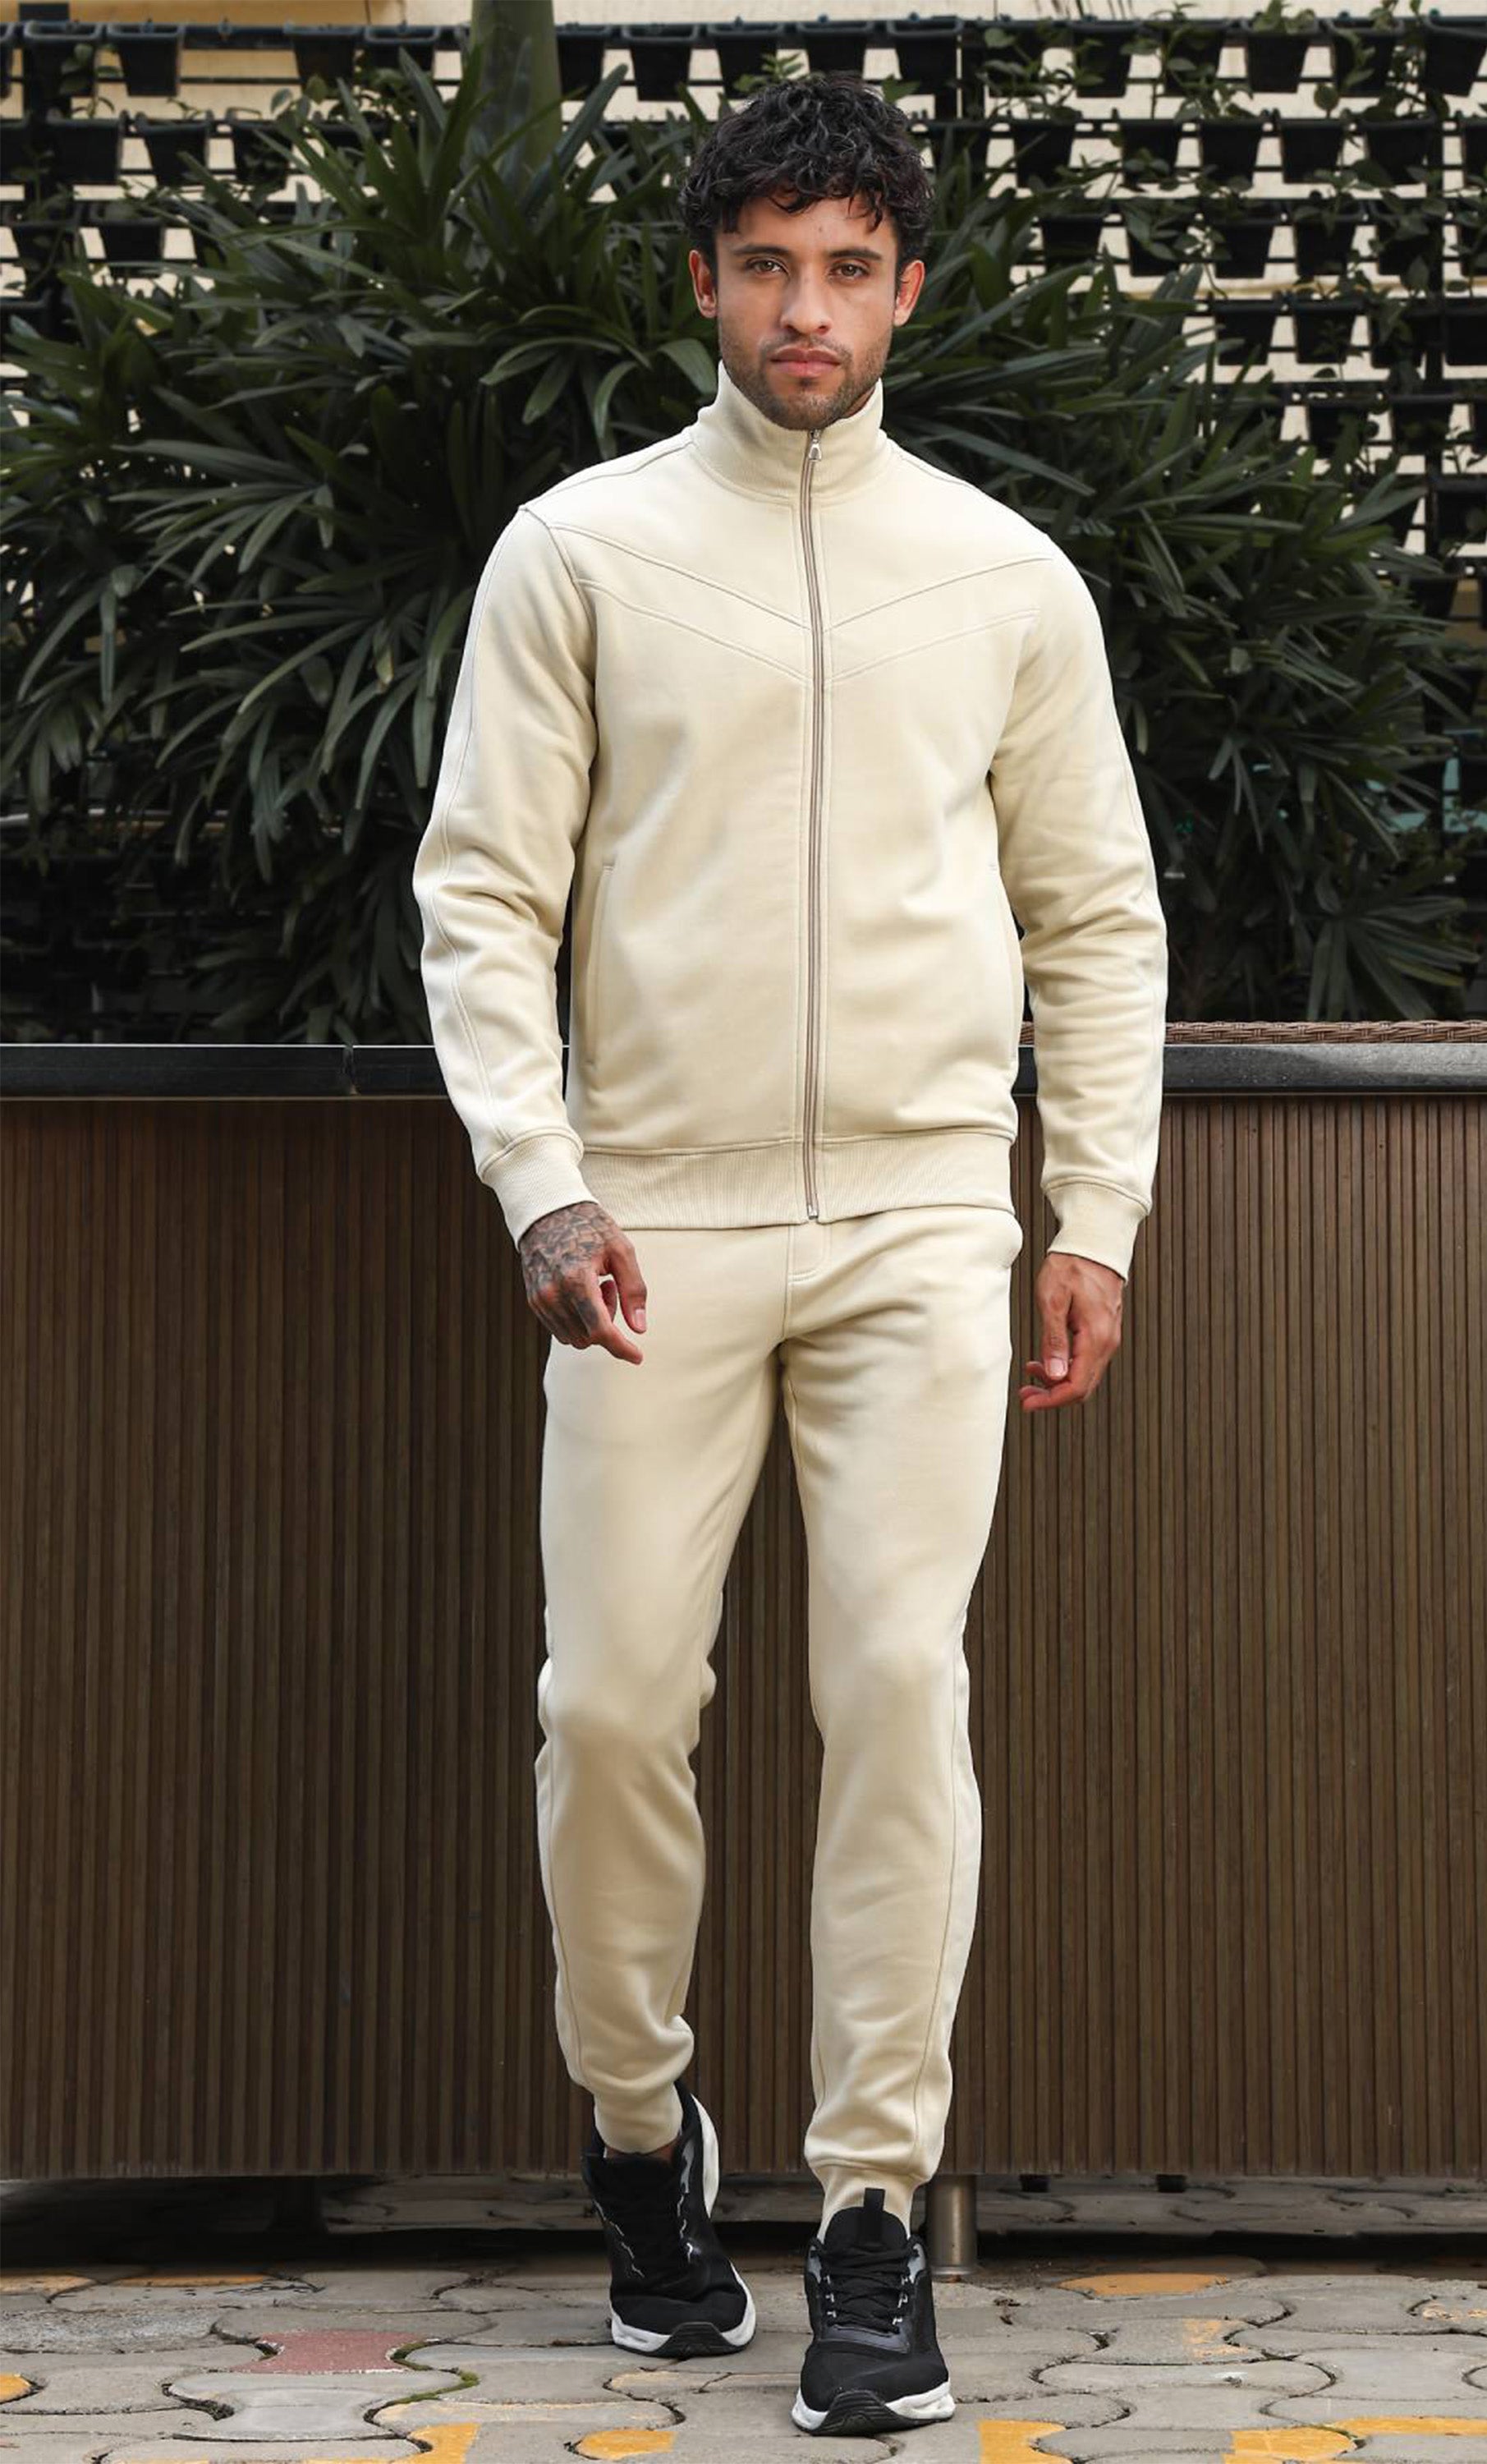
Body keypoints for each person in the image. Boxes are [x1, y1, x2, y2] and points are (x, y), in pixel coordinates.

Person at [412, 70, 1169, 2442]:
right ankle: (643, 2140)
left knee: (899, 1691)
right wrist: (544, 1183)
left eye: (847, 267)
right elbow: (483, 895)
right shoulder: (582, 553)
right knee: (614, 1705)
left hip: (927, 1219)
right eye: (767, 267)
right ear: (708, 284)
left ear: (907, 289)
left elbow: (1097, 917)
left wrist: (1093, 1210)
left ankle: (866, 2218)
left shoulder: (1004, 579)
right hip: (649, 1221)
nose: (805, 308)